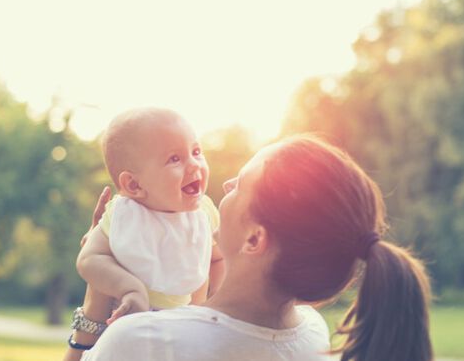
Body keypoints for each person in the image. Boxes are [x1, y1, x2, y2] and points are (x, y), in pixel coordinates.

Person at [65, 134, 433, 361]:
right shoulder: (312, 336)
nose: (224, 185)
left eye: (241, 184)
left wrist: (97, 295)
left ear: (255, 238)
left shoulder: (141, 342)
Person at [68, 107, 224, 349]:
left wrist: (211, 306)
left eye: (196, 151)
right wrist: (130, 289)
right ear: (133, 184)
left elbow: (218, 258)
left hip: (181, 328)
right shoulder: (124, 215)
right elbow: (89, 258)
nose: (194, 165)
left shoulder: (204, 214)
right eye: (175, 159)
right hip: (122, 321)